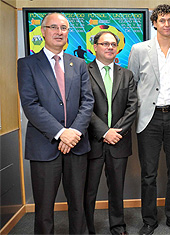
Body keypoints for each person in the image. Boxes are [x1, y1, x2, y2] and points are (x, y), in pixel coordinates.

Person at [17, 13, 94, 234]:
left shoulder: (78, 64)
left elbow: (87, 101)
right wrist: (61, 133)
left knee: (78, 205)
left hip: (77, 146)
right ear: (43, 31)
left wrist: (74, 133)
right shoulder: (27, 64)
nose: (59, 32)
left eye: (64, 28)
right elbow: (30, 105)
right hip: (44, 146)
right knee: (44, 209)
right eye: (53, 27)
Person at [128, 4, 170, 235]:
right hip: (149, 119)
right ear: (154, 23)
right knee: (149, 174)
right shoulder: (139, 49)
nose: (166, 24)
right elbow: (132, 84)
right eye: (161, 20)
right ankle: (149, 220)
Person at [84, 31, 137, 235]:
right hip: (92, 141)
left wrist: (117, 132)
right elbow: (83, 106)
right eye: (104, 43)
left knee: (117, 190)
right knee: (89, 191)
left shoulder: (127, 74)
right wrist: (104, 132)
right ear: (95, 46)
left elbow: (132, 107)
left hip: (119, 141)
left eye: (113, 44)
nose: (109, 47)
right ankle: (87, 227)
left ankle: (118, 226)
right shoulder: (83, 71)